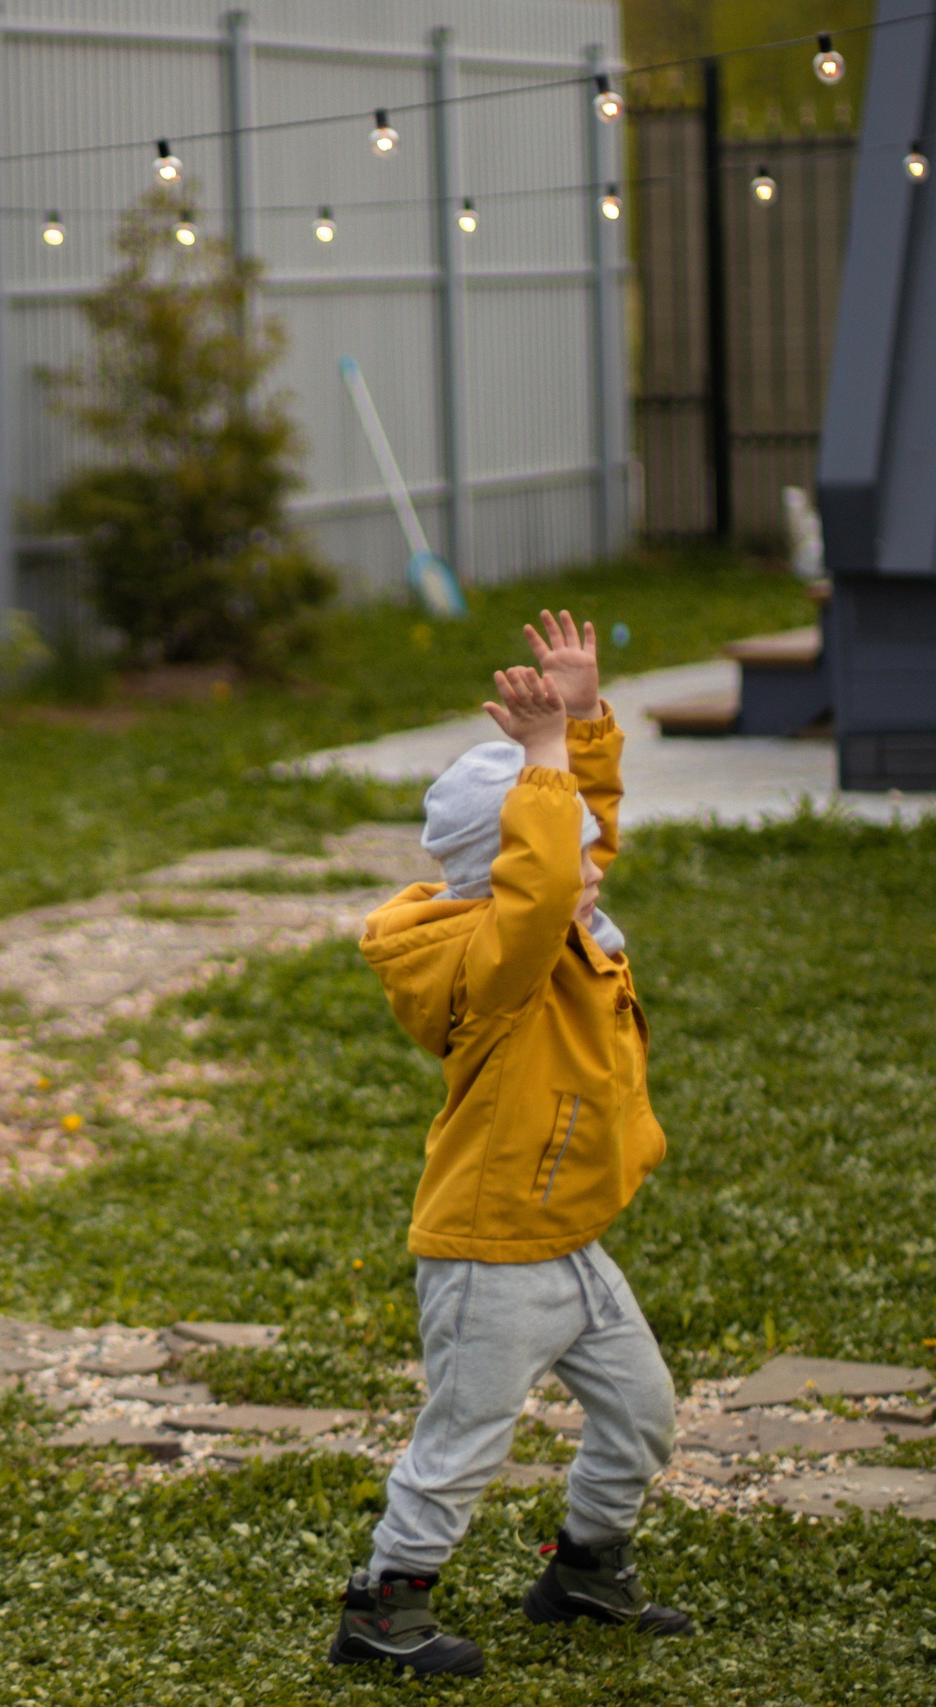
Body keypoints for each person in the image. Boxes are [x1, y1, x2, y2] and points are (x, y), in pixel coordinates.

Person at [331, 612, 694, 1677]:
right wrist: (542, 765)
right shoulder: (485, 962)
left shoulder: (548, 904)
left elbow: (567, 854)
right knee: (463, 1445)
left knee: (642, 1414)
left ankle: (583, 1571)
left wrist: (577, 722)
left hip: (565, 1240)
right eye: (567, 856)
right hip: (491, 1254)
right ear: (499, 870)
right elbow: (539, 891)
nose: (594, 874)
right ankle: (380, 1610)